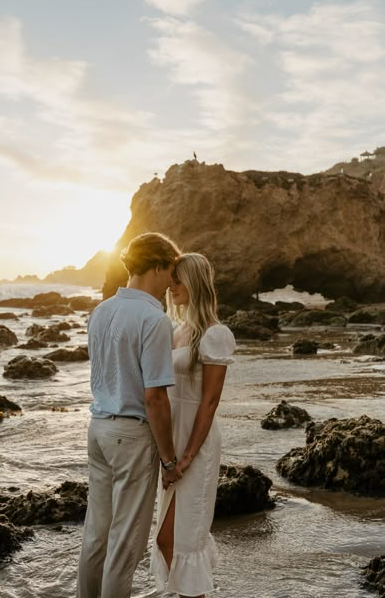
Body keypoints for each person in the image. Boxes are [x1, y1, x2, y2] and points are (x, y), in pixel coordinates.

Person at [77, 232, 184, 598]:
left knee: (96, 536)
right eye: (170, 271)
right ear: (157, 266)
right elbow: (155, 397)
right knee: (125, 546)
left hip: (98, 430)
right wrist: (169, 461)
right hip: (132, 436)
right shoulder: (154, 319)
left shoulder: (101, 311)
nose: (172, 282)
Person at [150, 253, 236, 598]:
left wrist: (186, 457)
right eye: (169, 280)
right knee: (164, 539)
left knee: (183, 541)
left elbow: (210, 402)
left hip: (195, 444)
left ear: (194, 282)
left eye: (176, 280)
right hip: (170, 441)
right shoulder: (176, 330)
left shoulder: (215, 335)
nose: (170, 287)